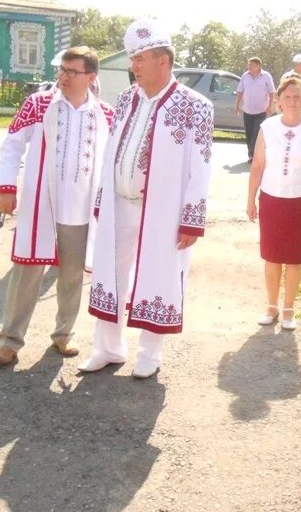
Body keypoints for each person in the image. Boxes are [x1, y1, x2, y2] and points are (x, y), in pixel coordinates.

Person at [78, 20, 214, 379]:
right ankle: (107, 348)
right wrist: (102, 199)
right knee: (109, 271)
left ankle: (149, 355)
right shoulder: (126, 99)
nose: (133, 66)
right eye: (133, 59)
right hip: (119, 203)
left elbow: (200, 166)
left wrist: (191, 218)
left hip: (164, 210)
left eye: (141, 59)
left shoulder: (194, 106)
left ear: (163, 61)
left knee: (159, 274)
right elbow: (110, 153)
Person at [0, 46, 114, 365]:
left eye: (72, 72)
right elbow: (12, 144)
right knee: (27, 272)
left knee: (72, 274)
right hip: (40, 205)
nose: (64, 76)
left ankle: (64, 334)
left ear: (90, 77)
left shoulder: (105, 114)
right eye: (62, 69)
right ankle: (10, 340)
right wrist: (7, 187)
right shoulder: (39, 104)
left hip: (80, 208)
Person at [248, 76, 301, 331]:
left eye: (297, 97)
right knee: (271, 256)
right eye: (287, 97)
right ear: (278, 101)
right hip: (271, 198)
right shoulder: (267, 127)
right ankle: (271, 306)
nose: (292, 101)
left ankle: (289, 309)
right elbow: (258, 164)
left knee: (294, 258)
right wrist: (251, 198)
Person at [235, 57, 275, 163]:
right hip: (247, 110)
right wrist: (237, 106)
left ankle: (255, 155)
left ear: (258, 66)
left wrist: (270, 106)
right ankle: (251, 154)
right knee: (248, 133)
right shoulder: (245, 76)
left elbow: (272, 92)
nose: (249, 67)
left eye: (251, 65)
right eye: (249, 64)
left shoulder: (266, 76)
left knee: (256, 132)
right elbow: (240, 91)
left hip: (261, 111)